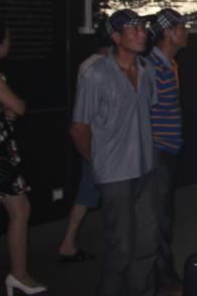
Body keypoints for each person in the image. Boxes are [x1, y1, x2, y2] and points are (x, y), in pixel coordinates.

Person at [70, 10, 159, 296]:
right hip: (115, 174)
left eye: (142, 27)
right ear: (116, 36)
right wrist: (98, 163)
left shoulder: (147, 71)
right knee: (120, 245)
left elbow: (147, 112)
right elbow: (79, 128)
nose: (142, 33)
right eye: (133, 29)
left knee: (147, 241)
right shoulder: (96, 74)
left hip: (145, 168)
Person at [0, 22, 47, 295]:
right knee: (20, 209)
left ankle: (19, 275)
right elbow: (19, 107)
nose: (9, 44)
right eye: (8, 40)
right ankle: (19, 275)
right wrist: (14, 107)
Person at [58, 26, 113, 263]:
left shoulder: (87, 64)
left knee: (86, 193)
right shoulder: (102, 67)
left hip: (93, 137)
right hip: (101, 139)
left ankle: (68, 242)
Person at [146, 8, 189, 294]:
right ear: (169, 33)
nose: (186, 32)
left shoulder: (169, 65)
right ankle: (163, 278)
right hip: (157, 152)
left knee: (163, 215)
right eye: (181, 28)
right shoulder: (151, 68)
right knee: (158, 218)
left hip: (167, 150)